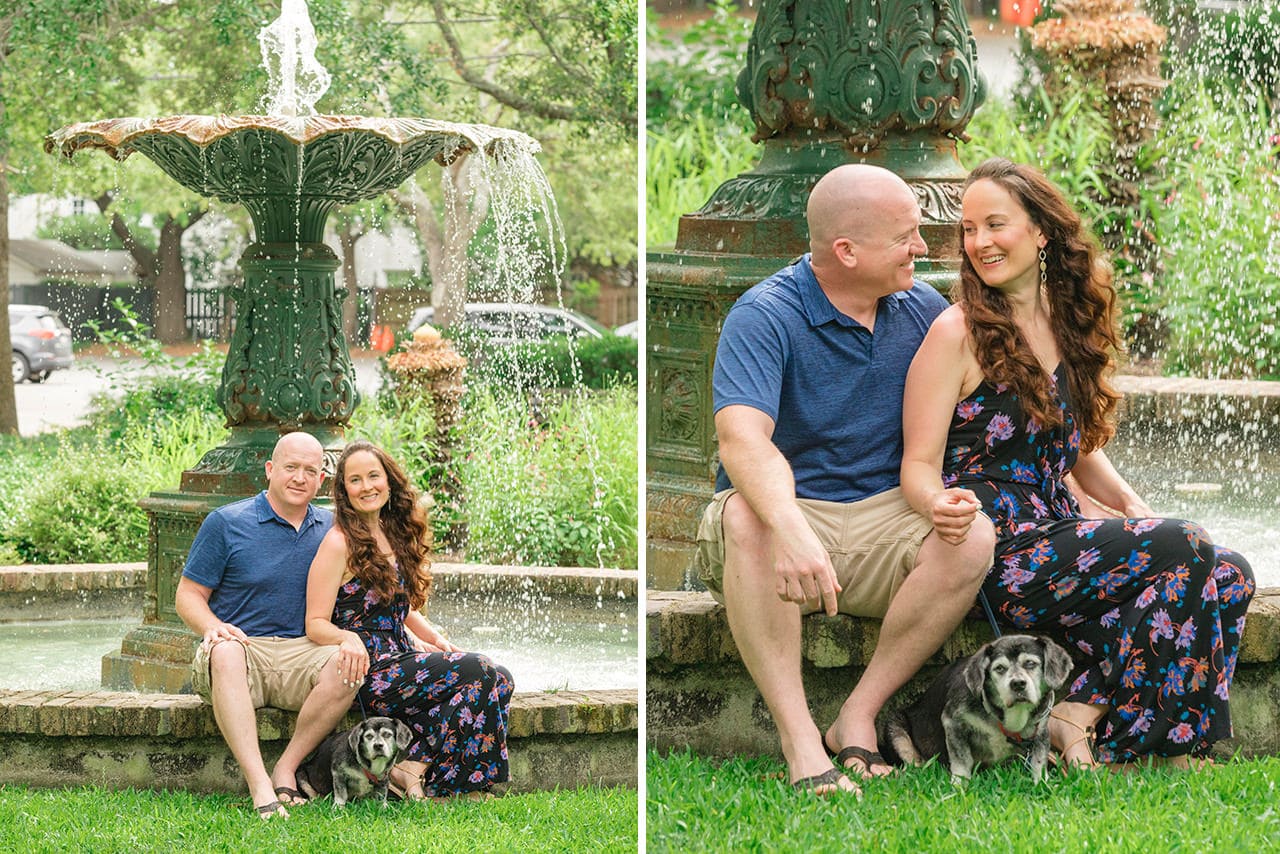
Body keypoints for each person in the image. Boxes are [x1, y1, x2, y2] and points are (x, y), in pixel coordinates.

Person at [900, 156, 1255, 768]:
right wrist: (938, 504)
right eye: (969, 229)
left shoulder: (1066, 320)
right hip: (1004, 550)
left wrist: (1131, 506)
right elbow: (917, 464)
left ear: (1041, 231)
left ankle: (1085, 721)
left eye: (995, 224)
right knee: (1190, 543)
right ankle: (1153, 744)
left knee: (1232, 573)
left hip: (1061, 531)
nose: (979, 242)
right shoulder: (956, 332)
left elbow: (1077, 446)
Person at [696, 163, 997, 795]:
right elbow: (742, 441)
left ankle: (857, 713)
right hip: (788, 523)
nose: (922, 248)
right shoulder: (764, 315)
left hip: (884, 519)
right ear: (847, 251)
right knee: (745, 513)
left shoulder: (924, 311)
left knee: (973, 538)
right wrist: (789, 525)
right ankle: (801, 743)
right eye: (906, 237)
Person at [305, 440, 514, 799]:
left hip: (401, 654)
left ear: (389, 481)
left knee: (501, 677)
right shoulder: (339, 543)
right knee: (479, 668)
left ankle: (414, 766)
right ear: (343, 490)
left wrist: (437, 640)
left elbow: (401, 606)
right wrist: (347, 639)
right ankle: (454, 785)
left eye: (373, 476)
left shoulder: (393, 532)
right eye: (355, 480)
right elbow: (315, 622)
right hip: (370, 668)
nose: (366, 486)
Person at [175, 431, 357, 820]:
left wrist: (417, 634)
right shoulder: (226, 522)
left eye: (310, 470)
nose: (300, 478)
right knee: (225, 651)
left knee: (349, 663)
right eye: (291, 467)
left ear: (321, 480)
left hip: (302, 653)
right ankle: (260, 787)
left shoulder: (334, 530)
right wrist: (212, 626)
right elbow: (188, 595)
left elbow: (378, 589)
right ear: (270, 469)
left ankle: (285, 768)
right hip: (242, 650)